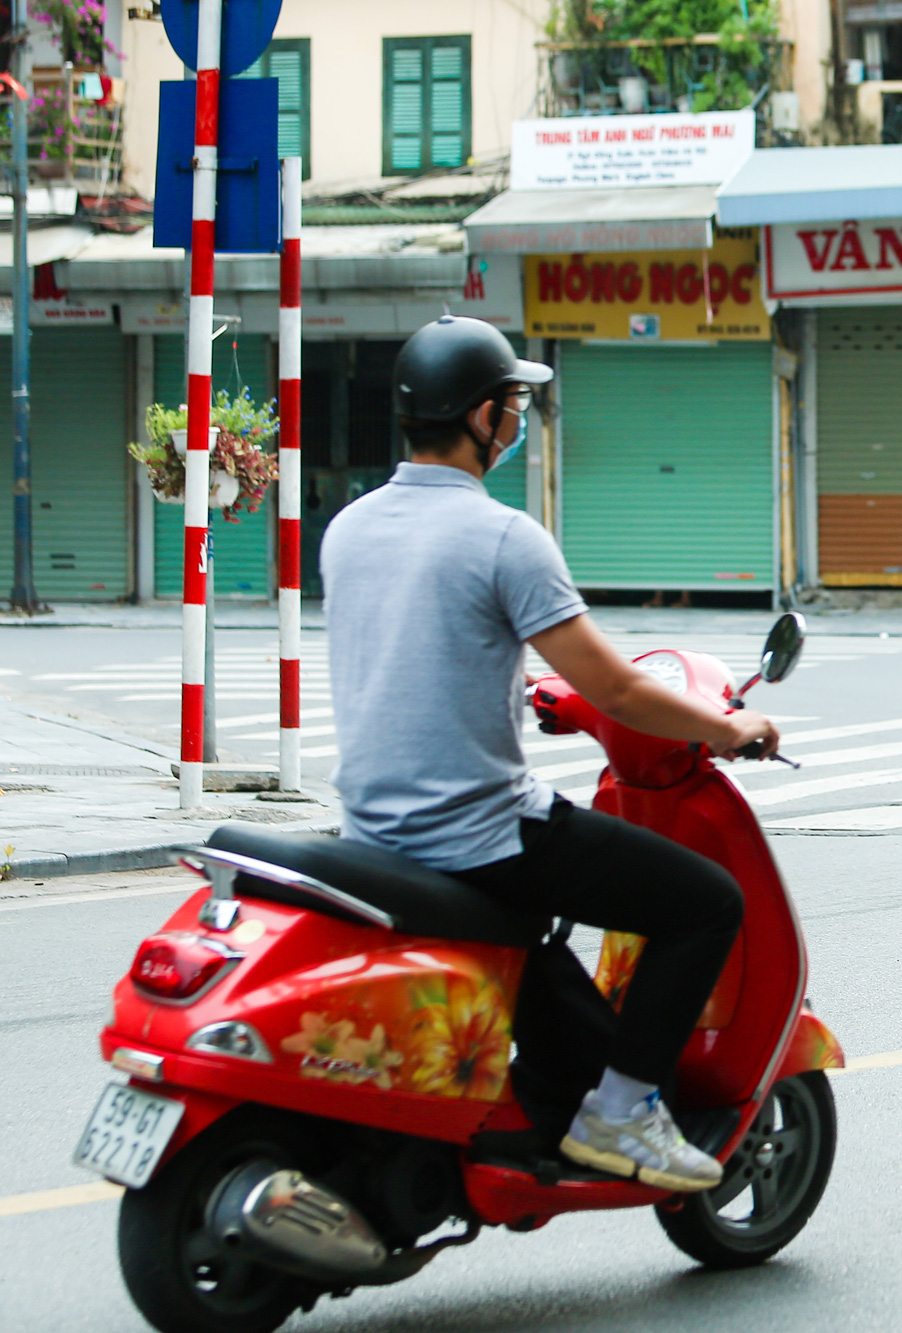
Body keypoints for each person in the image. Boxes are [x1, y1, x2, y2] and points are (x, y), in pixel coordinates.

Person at [320, 316, 781, 1192]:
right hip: (477, 836)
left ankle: (554, 1091)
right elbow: (615, 688)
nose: (520, 419)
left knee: (542, 937)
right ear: (484, 417)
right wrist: (729, 728)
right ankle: (623, 1112)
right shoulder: (504, 537)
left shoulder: (348, 528)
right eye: (515, 403)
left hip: (371, 833)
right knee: (704, 903)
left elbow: (421, 648)